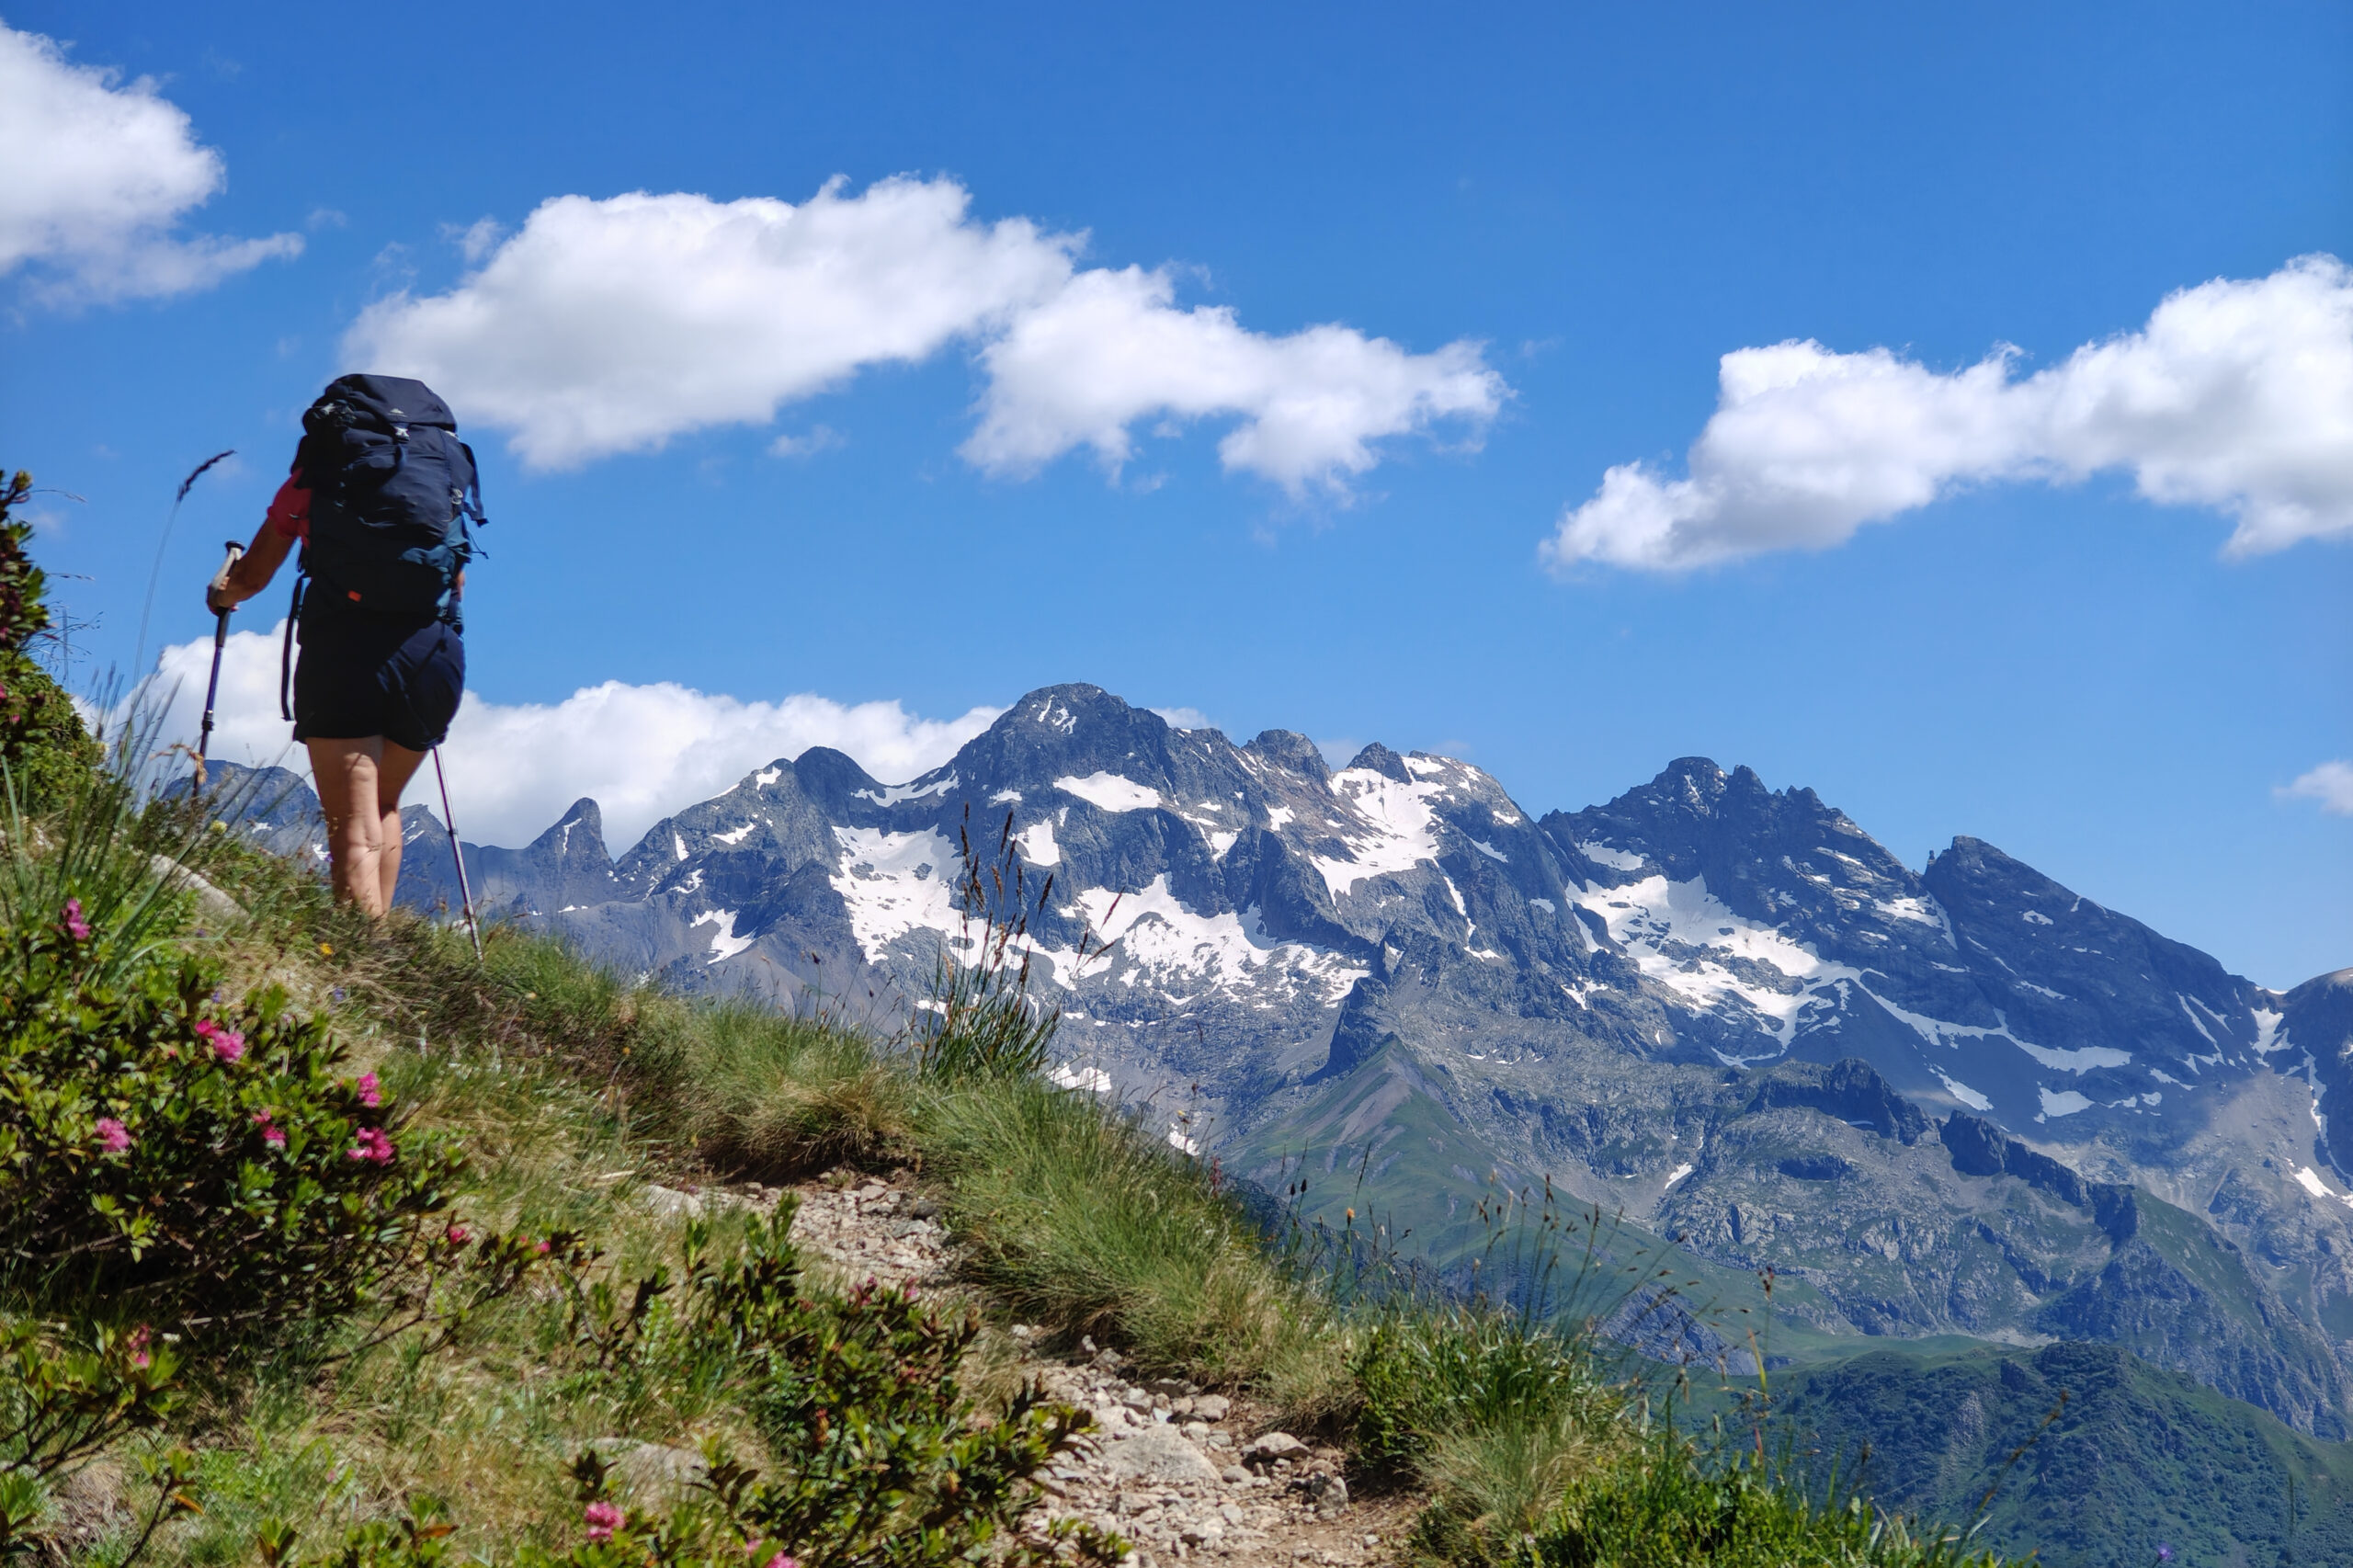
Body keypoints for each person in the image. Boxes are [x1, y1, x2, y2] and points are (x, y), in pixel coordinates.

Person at [206, 377, 476, 917]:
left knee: (352, 828)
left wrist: (220, 590)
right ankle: (379, 962)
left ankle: (360, 979)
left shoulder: (317, 478)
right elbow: (456, 579)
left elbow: (252, 577)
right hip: (432, 656)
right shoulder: (442, 479)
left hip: (345, 649)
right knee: (384, 805)